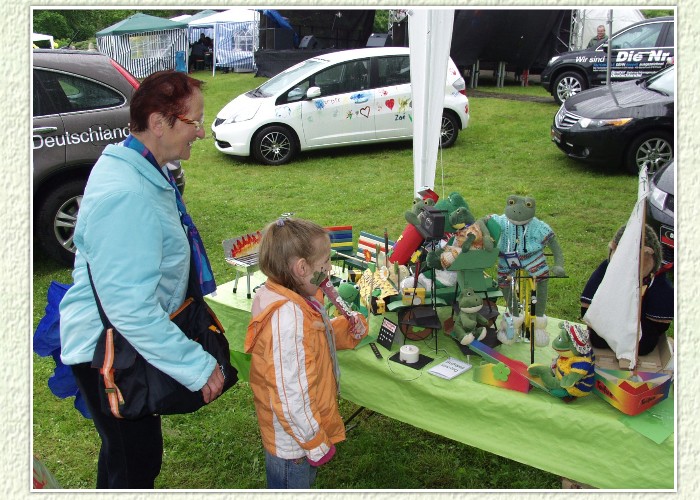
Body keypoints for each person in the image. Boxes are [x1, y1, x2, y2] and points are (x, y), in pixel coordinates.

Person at [59, 71, 222, 489]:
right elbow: (129, 308)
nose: (201, 133)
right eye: (194, 122)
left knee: (125, 456)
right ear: (158, 122)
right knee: (133, 467)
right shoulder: (127, 194)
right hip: (108, 351)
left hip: (116, 343)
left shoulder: (140, 167)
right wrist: (196, 366)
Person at [245, 217, 368, 489]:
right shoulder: (287, 319)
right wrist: (314, 443)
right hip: (295, 444)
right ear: (302, 268)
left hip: (300, 430)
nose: (329, 269)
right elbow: (291, 396)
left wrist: (348, 330)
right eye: (325, 264)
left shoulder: (295, 298)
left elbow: (314, 336)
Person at [581, 224, 673, 356]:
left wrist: (653, 327)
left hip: (639, 326)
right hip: (609, 319)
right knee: (597, 339)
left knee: (644, 345)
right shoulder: (607, 270)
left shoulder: (655, 280)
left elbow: (660, 318)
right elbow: (591, 295)